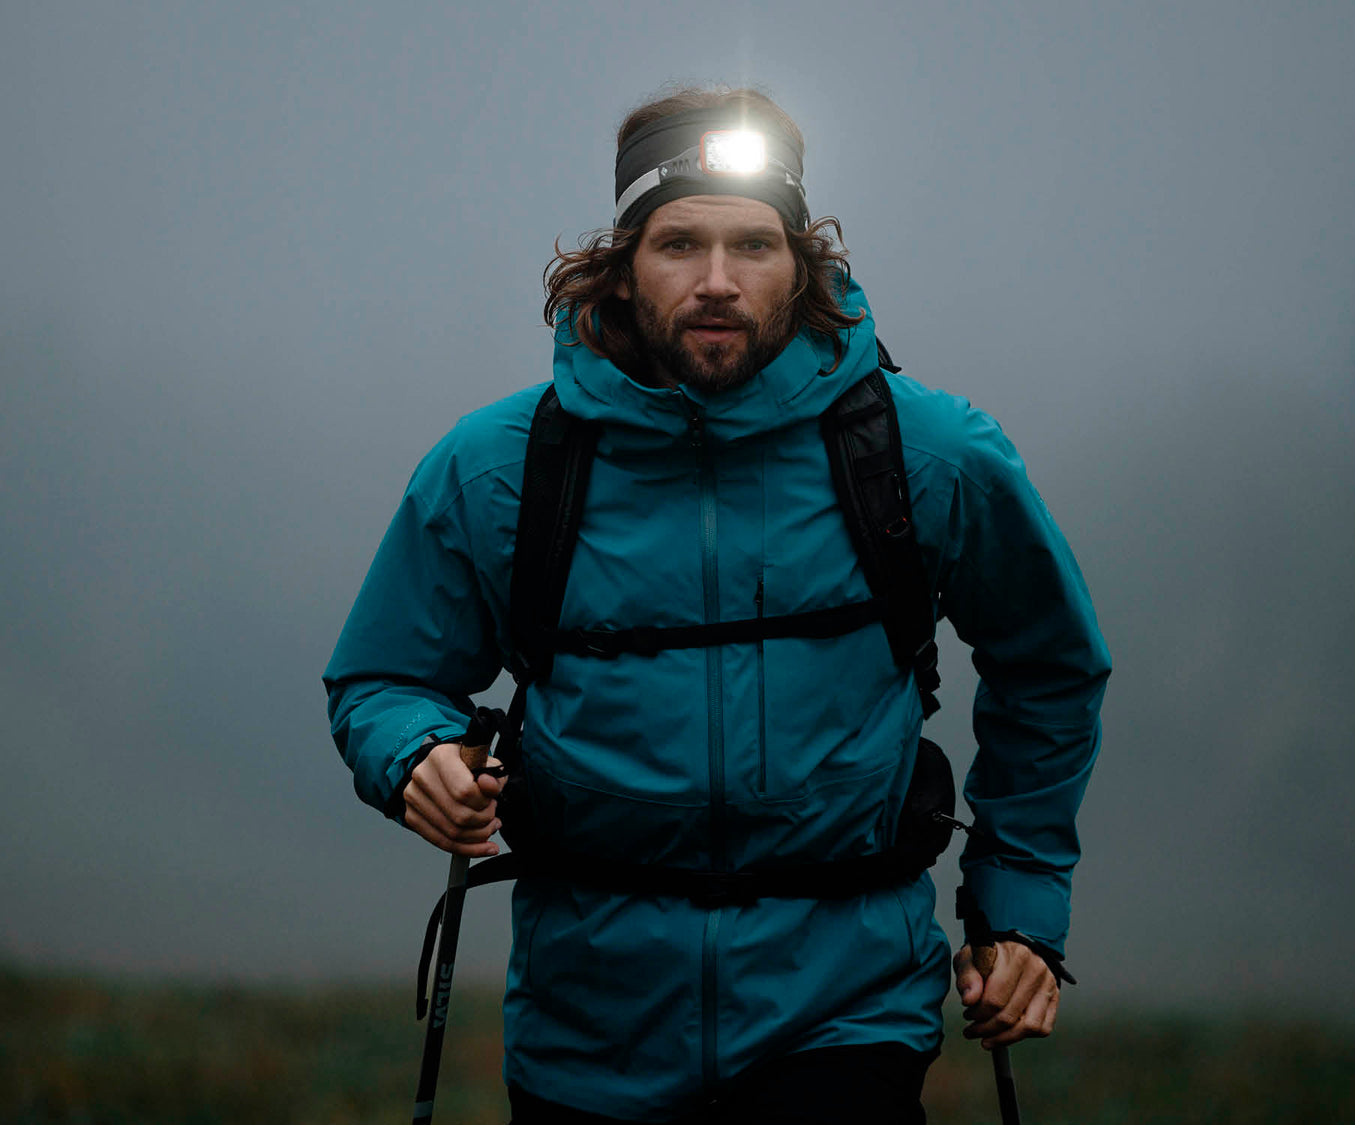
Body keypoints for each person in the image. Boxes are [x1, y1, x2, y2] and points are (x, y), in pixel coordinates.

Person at [324, 86, 1110, 1124]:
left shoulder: (929, 456)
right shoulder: (500, 468)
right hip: (585, 1031)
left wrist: (1016, 913)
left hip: (845, 1017)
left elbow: (1048, 664)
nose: (717, 283)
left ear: (804, 262)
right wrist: (416, 754)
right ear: (620, 261)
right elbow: (383, 676)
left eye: (753, 245)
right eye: (678, 243)